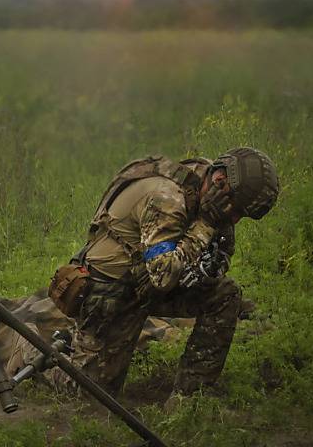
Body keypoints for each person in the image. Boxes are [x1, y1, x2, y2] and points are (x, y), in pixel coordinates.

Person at [48, 148, 279, 398]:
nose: (234, 220)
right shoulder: (167, 199)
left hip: (151, 281)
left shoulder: (208, 183)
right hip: (113, 292)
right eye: (235, 211)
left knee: (226, 294)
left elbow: (219, 255)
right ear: (220, 181)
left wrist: (209, 264)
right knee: (89, 394)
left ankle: (189, 397)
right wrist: (206, 224)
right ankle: (30, 349)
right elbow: (163, 276)